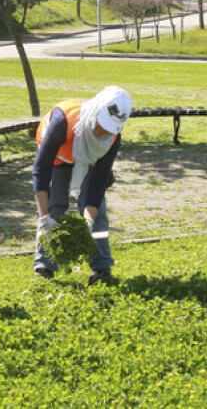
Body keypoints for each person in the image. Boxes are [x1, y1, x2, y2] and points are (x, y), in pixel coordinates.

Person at [32, 86, 132, 285]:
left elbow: (97, 184)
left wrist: (88, 221)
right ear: (95, 113)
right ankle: (44, 267)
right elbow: (40, 173)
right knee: (55, 207)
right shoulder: (62, 123)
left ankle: (101, 267)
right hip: (57, 158)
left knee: (98, 214)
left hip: (88, 161)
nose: (101, 133)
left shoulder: (111, 139)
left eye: (106, 131)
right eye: (99, 127)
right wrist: (44, 217)